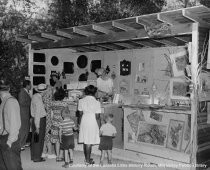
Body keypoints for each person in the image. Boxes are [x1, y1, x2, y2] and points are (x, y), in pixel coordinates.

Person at [0, 79, 22, 170]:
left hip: (10, 140)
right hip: (3, 138)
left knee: (13, 166)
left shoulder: (11, 102)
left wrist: (9, 142)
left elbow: (14, 123)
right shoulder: (4, 101)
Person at [78, 85, 102, 165]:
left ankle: (87, 158)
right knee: (89, 142)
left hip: (84, 120)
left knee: (86, 140)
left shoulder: (81, 101)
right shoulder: (97, 102)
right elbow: (98, 117)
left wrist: (79, 124)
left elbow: (80, 114)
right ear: (94, 93)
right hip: (92, 121)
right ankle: (88, 160)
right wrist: (100, 127)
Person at [30, 83, 47, 162]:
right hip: (39, 120)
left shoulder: (34, 96)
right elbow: (37, 114)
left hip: (34, 119)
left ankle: (34, 156)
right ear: (43, 92)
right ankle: (37, 157)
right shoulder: (39, 100)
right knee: (39, 140)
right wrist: (37, 126)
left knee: (35, 139)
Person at [50, 87, 66, 162]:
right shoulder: (64, 104)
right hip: (62, 123)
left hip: (54, 122)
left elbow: (51, 114)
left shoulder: (52, 103)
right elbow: (66, 114)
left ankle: (57, 156)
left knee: (56, 140)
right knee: (62, 139)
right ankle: (61, 155)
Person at [42, 84, 56, 159]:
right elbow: (50, 111)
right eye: (51, 90)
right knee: (48, 135)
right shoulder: (48, 99)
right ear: (49, 91)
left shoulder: (43, 98)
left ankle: (44, 152)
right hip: (48, 119)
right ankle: (50, 153)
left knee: (45, 136)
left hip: (44, 118)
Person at [18, 79, 31, 151]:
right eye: (30, 84)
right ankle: (20, 144)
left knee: (26, 128)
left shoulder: (26, 91)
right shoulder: (22, 92)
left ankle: (23, 143)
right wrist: (30, 104)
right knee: (23, 129)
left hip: (26, 113)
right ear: (27, 85)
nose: (31, 86)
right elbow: (22, 102)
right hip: (23, 113)